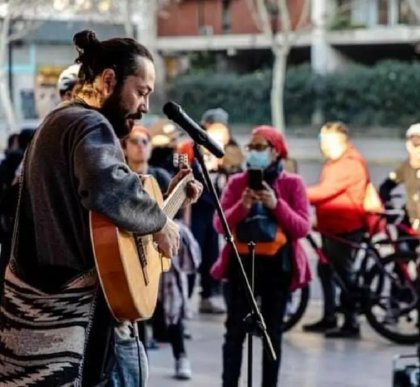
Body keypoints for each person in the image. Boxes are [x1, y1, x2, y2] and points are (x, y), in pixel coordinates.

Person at [0, 29, 202, 387]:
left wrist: (167, 200)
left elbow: (96, 205)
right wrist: (159, 222)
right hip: (63, 317)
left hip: (34, 308)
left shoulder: (57, 122)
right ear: (109, 80)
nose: (145, 106)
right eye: (141, 92)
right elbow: (106, 187)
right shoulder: (89, 123)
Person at [211, 125, 311, 387]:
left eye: (260, 147)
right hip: (241, 264)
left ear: (276, 152)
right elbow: (219, 224)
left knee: (272, 334)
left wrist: (276, 205)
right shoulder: (237, 183)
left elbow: (302, 227)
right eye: (251, 147)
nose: (253, 153)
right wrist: (242, 206)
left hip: (277, 265)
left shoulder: (292, 183)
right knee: (234, 332)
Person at [122, 125, 198, 380]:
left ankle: (181, 357)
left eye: (145, 141)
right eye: (135, 141)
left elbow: (172, 213)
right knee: (137, 313)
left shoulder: (159, 176)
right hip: (129, 258)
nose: (140, 145)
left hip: (158, 256)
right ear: (124, 147)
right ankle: (142, 368)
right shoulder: (120, 180)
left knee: (171, 306)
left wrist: (183, 197)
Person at [303, 121, 369, 338]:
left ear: (335, 140)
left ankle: (352, 322)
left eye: (323, 139)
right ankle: (329, 315)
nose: (321, 144)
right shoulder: (336, 162)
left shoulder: (349, 164)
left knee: (343, 275)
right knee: (326, 271)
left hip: (344, 228)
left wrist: (296, 193)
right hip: (331, 227)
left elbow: (325, 191)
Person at [379, 123, 420, 233]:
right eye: (416, 144)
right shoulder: (406, 166)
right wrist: (388, 206)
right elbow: (386, 186)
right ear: (408, 145)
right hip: (410, 220)